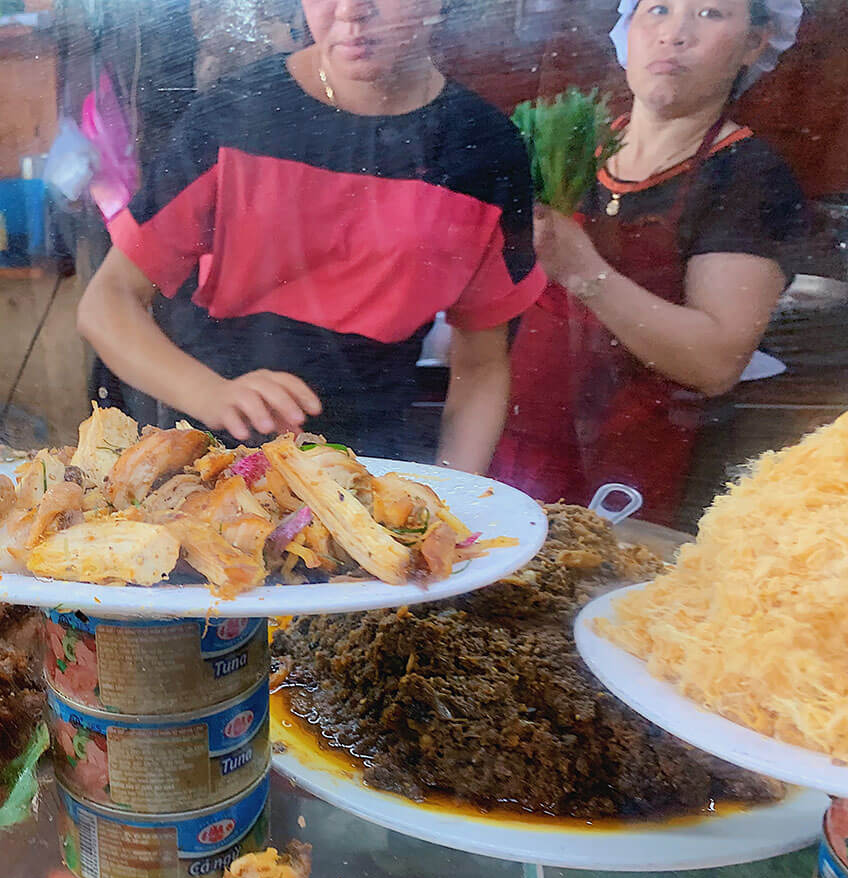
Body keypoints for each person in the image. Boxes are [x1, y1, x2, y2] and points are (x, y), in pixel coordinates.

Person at [76, 0, 546, 473]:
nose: (350, 11)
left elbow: (482, 364)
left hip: (376, 468)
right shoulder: (236, 116)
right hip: (212, 463)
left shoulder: (483, 148)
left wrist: (457, 499)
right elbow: (108, 301)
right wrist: (212, 394)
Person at [489, 0, 806, 525]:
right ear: (627, 32)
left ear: (755, 42)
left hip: (640, 472)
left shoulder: (749, 178)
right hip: (520, 449)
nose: (675, 34)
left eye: (710, 15)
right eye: (658, 9)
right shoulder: (567, 153)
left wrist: (583, 272)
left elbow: (714, 362)